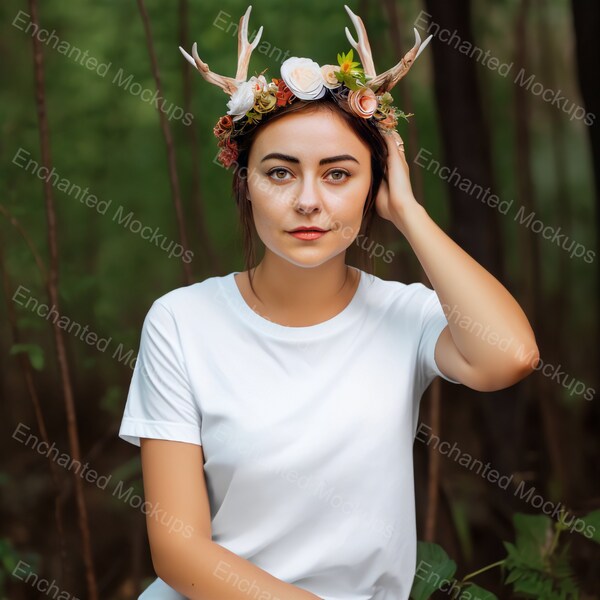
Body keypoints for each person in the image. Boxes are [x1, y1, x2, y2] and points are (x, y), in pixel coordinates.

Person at [118, 6, 539, 599]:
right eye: (280, 173)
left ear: (375, 185)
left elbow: (512, 356)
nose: (308, 201)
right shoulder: (181, 323)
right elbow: (178, 550)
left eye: (339, 174)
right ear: (245, 183)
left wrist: (410, 214)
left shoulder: (404, 314)